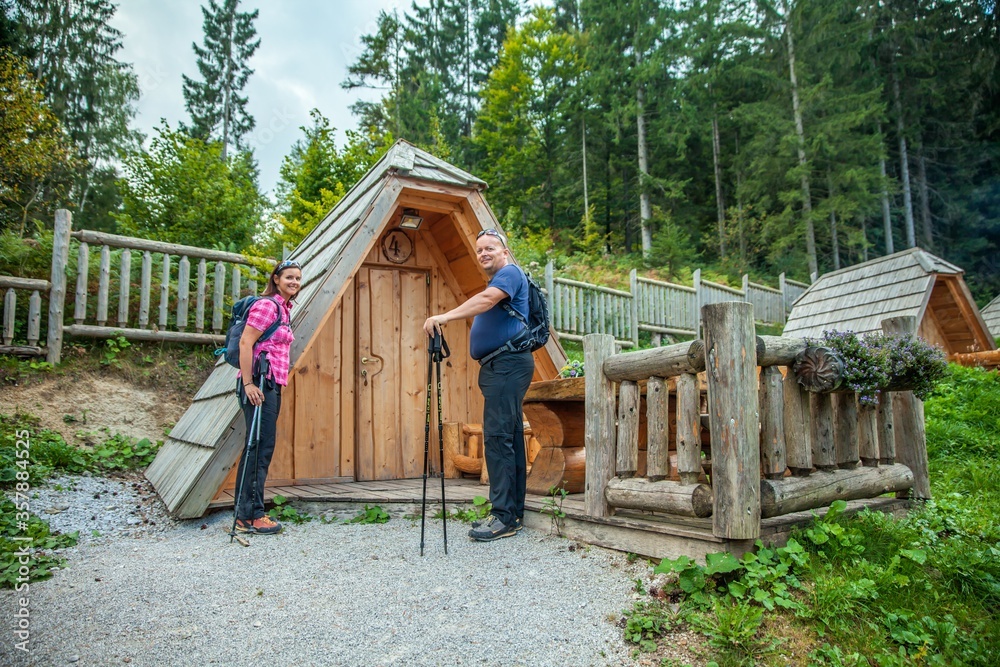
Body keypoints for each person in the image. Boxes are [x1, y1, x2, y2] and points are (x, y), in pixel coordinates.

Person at [423, 229, 534, 542]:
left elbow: (487, 300)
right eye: (480, 250)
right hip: (501, 366)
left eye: (490, 248)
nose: (484, 253)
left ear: (504, 251)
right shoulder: (502, 277)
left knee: (498, 439)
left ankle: (503, 517)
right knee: (506, 437)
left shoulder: (510, 273)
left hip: (507, 365)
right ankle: (510, 513)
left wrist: (444, 317)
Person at [235, 259, 301, 535]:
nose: (294, 282)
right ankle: (251, 515)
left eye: (298, 278)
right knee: (259, 447)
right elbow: (245, 342)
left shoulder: (284, 309)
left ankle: (247, 511)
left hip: (271, 383)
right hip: (260, 383)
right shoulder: (268, 306)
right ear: (276, 279)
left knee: (261, 446)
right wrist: (248, 383)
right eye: (289, 278)